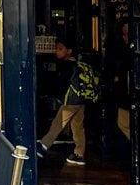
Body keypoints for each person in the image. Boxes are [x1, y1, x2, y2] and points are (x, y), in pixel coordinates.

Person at [37, 37, 98, 166]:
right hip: (81, 100)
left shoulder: (66, 65)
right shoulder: (78, 63)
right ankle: (79, 154)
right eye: (56, 49)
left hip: (70, 101)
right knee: (77, 127)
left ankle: (43, 146)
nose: (56, 51)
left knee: (57, 123)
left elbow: (61, 83)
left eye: (60, 49)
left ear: (69, 51)